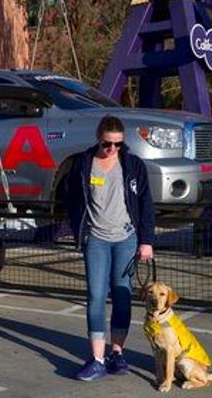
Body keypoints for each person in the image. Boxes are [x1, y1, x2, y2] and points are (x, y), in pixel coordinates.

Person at [64, 115, 155, 381]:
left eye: (118, 144)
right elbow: (69, 197)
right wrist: (77, 226)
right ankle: (97, 359)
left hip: (126, 239)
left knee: (122, 294)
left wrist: (146, 240)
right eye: (107, 144)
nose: (112, 149)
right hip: (96, 240)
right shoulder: (83, 164)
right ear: (98, 138)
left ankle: (117, 353)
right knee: (95, 297)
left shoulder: (133, 164)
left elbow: (146, 204)